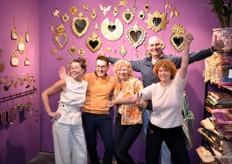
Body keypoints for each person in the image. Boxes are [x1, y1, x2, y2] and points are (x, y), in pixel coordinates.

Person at [108, 34, 224, 163]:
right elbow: (124, 64)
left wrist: (210, 49)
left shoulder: (171, 64)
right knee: (152, 151)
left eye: (157, 44)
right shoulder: (144, 67)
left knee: (167, 149)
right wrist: (107, 58)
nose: (154, 47)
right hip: (150, 113)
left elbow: (188, 60)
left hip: (171, 119)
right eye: (151, 45)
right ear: (147, 47)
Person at [59, 55, 115, 164]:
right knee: (91, 145)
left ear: (108, 67)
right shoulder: (86, 77)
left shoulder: (112, 80)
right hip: (88, 116)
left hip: (104, 117)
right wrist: (65, 79)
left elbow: (118, 93)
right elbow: (74, 85)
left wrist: (113, 99)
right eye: (98, 66)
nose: (100, 69)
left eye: (103, 66)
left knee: (110, 145)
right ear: (95, 66)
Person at [41, 58, 88, 164]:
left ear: (83, 70)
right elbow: (44, 93)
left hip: (76, 120)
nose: (73, 70)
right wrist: (49, 112)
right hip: (62, 120)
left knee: (80, 152)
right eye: (71, 67)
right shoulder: (64, 82)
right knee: (63, 153)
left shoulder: (85, 84)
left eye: (76, 67)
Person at [110, 60, 147, 164]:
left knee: (121, 152)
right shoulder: (117, 84)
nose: (122, 72)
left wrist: (141, 104)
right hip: (120, 120)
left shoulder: (136, 82)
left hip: (133, 122)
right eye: (119, 70)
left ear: (129, 70)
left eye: (124, 69)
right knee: (116, 152)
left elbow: (143, 101)